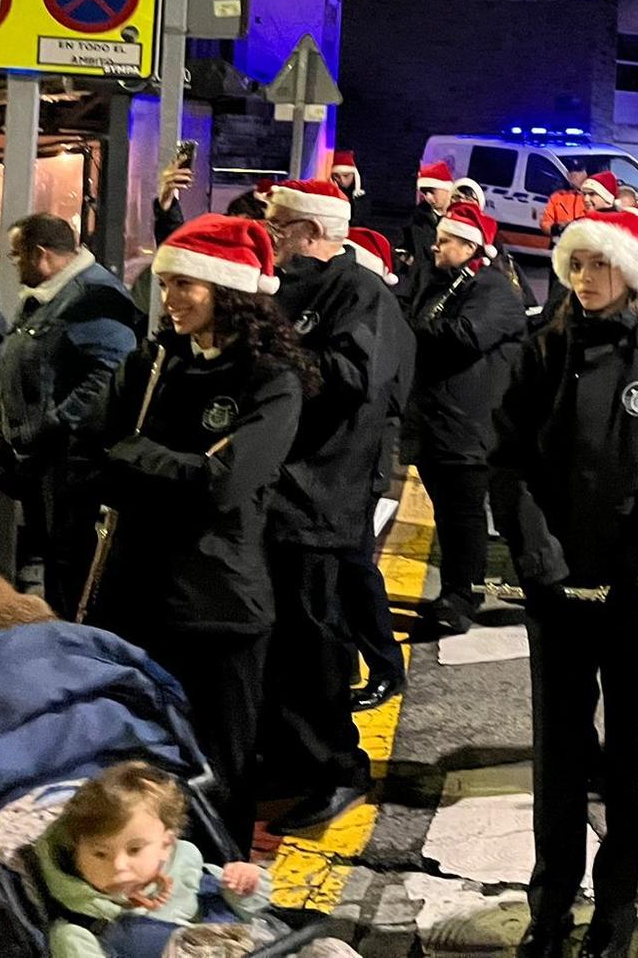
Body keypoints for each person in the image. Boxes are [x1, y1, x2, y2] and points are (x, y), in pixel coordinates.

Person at [490, 210, 638, 958]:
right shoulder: (542, 348)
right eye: (575, 265)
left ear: (633, 272)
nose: (584, 279)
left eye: (599, 265)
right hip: (558, 586)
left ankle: (617, 903)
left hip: (636, 587)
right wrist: (537, 555)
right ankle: (549, 902)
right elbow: (509, 460)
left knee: (633, 751)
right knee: (558, 749)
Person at [80, 213, 309, 844]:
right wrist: (171, 466)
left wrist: (136, 454)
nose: (171, 298)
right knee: (140, 761)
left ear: (228, 290)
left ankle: (214, 890)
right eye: (167, 282)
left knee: (218, 766)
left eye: (187, 284)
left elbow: (227, 484)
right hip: (136, 595)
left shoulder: (273, 380)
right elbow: (88, 450)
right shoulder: (156, 364)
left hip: (219, 604)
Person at [259, 178, 398, 836]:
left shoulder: (359, 290)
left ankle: (338, 767)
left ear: (312, 232)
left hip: (321, 496)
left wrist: (275, 353)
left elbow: (353, 379)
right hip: (277, 495)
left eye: (279, 225)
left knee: (316, 642)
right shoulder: (282, 287)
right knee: (280, 640)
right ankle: (290, 757)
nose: (270, 236)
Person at [0, 214, 144, 615]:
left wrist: (56, 423)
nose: (13, 265)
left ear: (41, 254)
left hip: (68, 466)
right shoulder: (54, 293)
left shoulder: (91, 297)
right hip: (45, 461)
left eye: (16, 256)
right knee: (51, 562)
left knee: (68, 567)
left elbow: (111, 370)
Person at [409, 201, 529, 635]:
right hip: (441, 421)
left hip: (471, 424)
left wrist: (418, 330)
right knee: (449, 516)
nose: (435, 249)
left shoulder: (492, 288)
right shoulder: (446, 283)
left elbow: (467, 335)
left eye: (445, 242)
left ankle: (463, 596)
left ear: (469, 245)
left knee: (464, 517)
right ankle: (454, 589)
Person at [31, 761, 271, 958]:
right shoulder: (77, 932)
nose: (118, 866)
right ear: (77, 854)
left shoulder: (190, 870)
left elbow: (258, 915)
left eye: (134, 850)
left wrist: (246, 887)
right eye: (99, 854)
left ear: (165, 845)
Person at [341, 228, 415, 712]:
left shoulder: (382, 318)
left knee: (355, 567)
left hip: (359, 465)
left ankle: (385, 666)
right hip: (353, 464)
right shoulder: (367, 312)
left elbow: (384, 400)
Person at [398, 161, 456, 302]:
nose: (428, 197)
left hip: (448, 288)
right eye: (424, 192)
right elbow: (402, 247)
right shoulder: (417, 218)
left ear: (447, 189)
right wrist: (406, 260)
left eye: (432, 191)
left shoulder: (459, 220)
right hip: (418, 288)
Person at [540, 168, 592, 237]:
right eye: (571, 171)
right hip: (561, 241)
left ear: (586, 174)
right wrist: (556, 228)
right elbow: (545, 222)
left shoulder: (593, 198)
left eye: (578, 171)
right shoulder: (557, 197)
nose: (574, 174)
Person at [330, 150, 369, 224]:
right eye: (336, 176)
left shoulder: (364, 192)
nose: (342, 181)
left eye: (346, 175)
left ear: (354, 175)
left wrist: (358, 200)